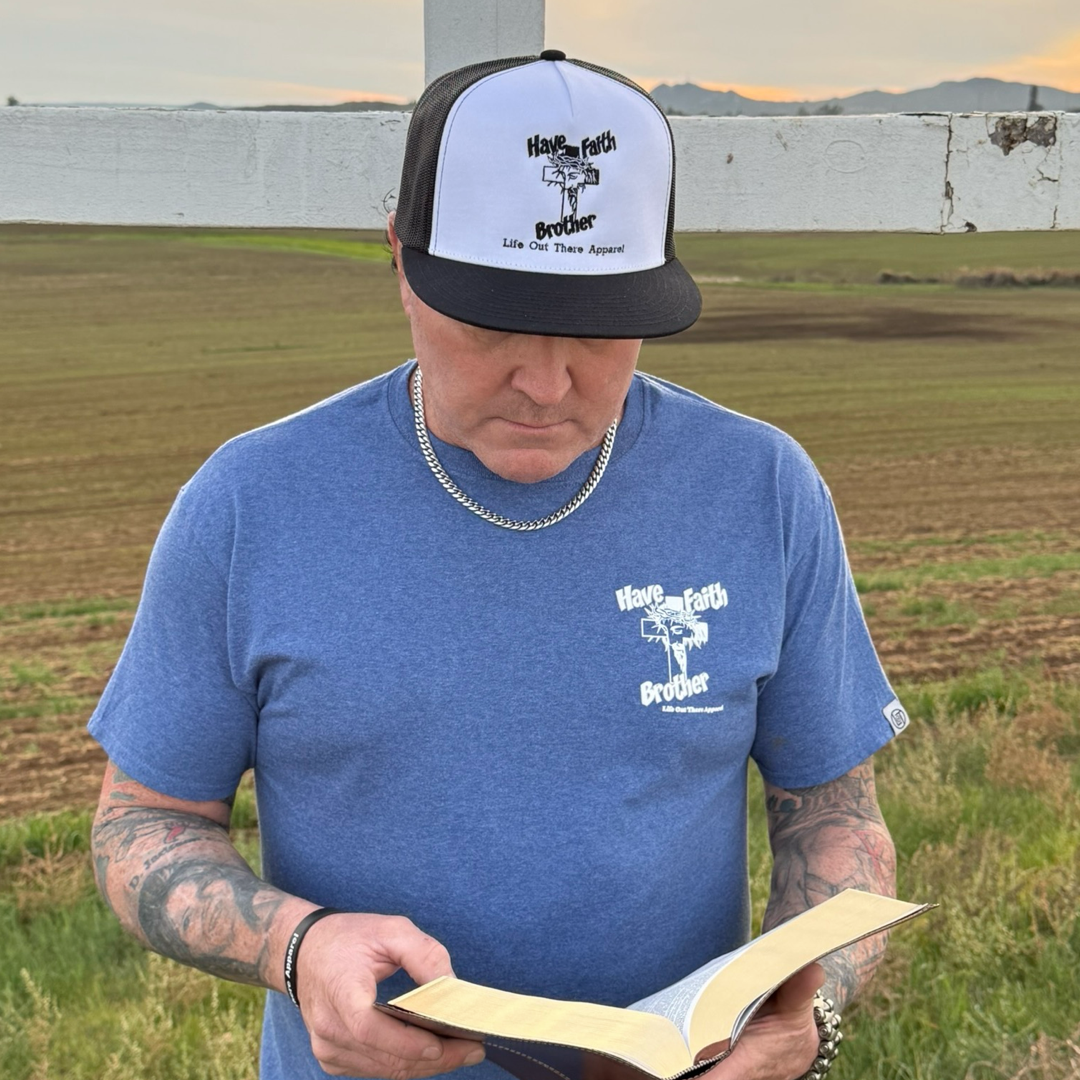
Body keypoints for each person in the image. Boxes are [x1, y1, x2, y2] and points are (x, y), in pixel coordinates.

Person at [88, 51, 904, 1080]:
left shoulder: (761, 488)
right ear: (399, 257)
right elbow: (144, 823)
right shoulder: (251, 504)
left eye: (602, 331)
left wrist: (809, 1009)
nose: (545, 381)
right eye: (490, 325)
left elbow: (836, 814)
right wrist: (296, 948)